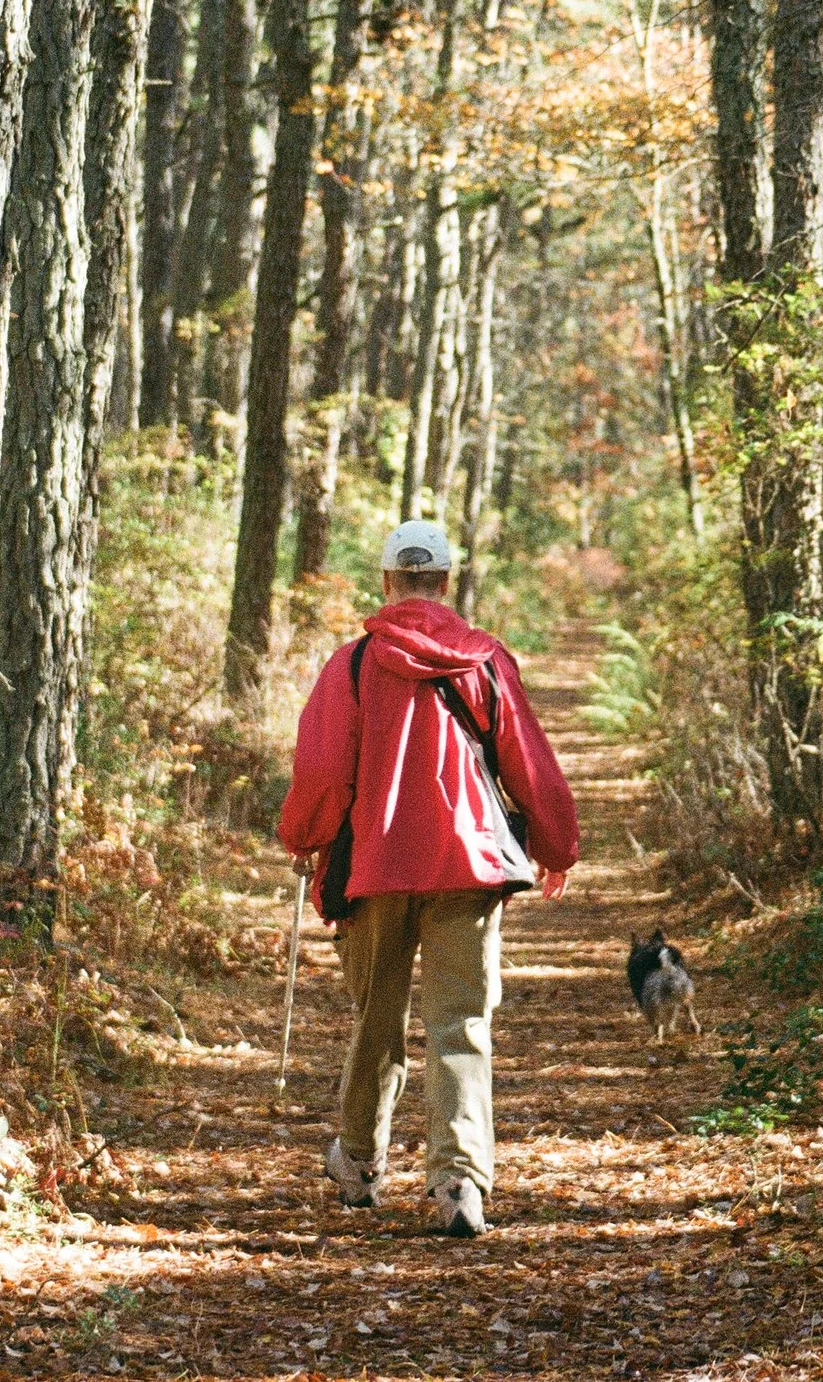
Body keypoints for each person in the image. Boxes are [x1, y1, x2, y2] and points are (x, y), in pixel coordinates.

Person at [277, 520, 580, 1237]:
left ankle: (357, 1163)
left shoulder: (352, 666)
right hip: (466, 867)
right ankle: (459, 1182)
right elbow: (527, 760)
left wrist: (304, 839)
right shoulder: (485, 663)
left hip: (374, 868)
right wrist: (554, 844)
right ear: (445, 581)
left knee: (375, 1018)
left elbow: (321, 771)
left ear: (387, 582)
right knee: (462, 1024)